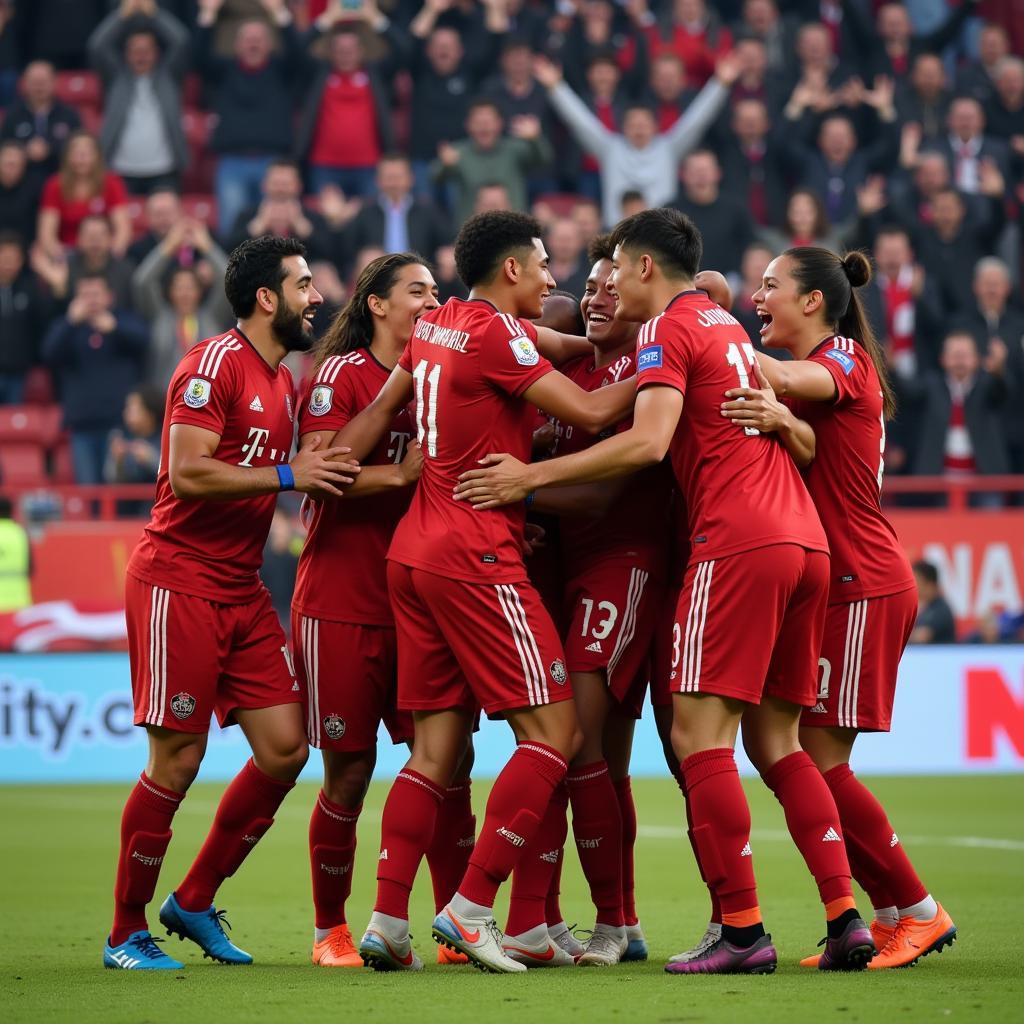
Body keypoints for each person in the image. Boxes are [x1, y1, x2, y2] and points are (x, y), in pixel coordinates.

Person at [454, 208, 872, 976]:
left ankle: (740, 931)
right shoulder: (725, 325)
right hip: (801, 539)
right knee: (775, 745)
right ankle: (847, 917)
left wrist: (528, 479)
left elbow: (647, 443)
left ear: (643, 269)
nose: (602, 286)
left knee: (694, 743)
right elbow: (796, 432)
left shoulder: (666, 330)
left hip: (729, 543)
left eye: (613, 271)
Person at [324, 210, 637, 973]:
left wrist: (623, 336)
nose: (553, 278)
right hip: (475, 554)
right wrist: (673, 365)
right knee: (555, 736)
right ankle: (470, 906)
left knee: (434, 750)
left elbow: (566, 344)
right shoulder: (499, 336)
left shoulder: (438, 325)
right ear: (509, 272)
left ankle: (388, 920)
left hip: (413, 554)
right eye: (541, 265)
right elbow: (595, 409)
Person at [102, 235, 359, 971]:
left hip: (241, 588)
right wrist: (288, 473)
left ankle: (192, 898)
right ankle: (125, 932)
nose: (317, 298)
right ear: (266, 298)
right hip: (176, 579)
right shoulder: (212, 364)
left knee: (285, 750)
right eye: (304, 285)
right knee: (177, 760)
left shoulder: (285, 381)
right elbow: (186, 475)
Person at [726, 245, 956, 970]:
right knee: (792, 759)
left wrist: (704, 327)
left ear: (814, 301)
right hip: (833, 585)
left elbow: (791, 378)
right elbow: (799, 427)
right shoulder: (820, 378)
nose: (757, 298)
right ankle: (889, 914)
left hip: (862, 584)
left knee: (816, 764)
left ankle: (917, 910)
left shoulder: (843, 358)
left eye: (769, 287)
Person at [290, 254, 473, 969]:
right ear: (376, 305)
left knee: (452, 759)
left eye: (437, 291)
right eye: (417, 292)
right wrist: (399, 469)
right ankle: (330, 930)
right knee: (349, 769)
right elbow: (322, 467)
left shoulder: (445, 377)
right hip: (342, 599)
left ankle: (457, 924)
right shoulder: (342, 376)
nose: (433, 301)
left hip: (425, 600)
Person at [514, 233, 673, 966]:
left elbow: (608, 491)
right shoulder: (572, 364)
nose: (596, 296)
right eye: (591, 286)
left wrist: (524, 492)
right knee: (602, 760)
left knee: (573, 744)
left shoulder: (650, 365)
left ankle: (605, 925)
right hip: (565, 570)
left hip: (624, 562)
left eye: (613, 286)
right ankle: (618, 920)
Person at [535, 52, 739, 227]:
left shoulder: (668, 148)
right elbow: (581, 121)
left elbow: (696, 120)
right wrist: (556, 87)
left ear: (655, 127)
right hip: (617, 233)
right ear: (623, 128)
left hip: (660, 234)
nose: (639, 129)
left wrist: (720, 84)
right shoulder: (610, 148)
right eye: (633, 124)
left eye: (644, 124)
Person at [41, 273, 149, 485]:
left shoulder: (123, 319)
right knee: (88, 491)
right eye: (84, 295)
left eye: (96, 294)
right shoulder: (67, 326)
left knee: (118, 488)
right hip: (82, 426)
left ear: (110, 297)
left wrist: (115, 328)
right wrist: (71, 322)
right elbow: (48, 354)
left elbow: (144, 341)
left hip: (119, 424)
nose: (91, 300)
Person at [87, 0, 190, 194]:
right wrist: (121, 15)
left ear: (157, 53)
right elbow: (97, 45)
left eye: (146, 51)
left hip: (165, 171)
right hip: (120, 169)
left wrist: (155, 14)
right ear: (126, 54)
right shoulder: (116, 77)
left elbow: (181, 40)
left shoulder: (169, 76)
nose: (141, 56)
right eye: (135, 51)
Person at [131, 217, 233, 390]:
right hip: (165, 403)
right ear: (170, 292)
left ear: (200, 291)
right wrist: (168, 246)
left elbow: (230, 279)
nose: (185, 293)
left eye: (190, 287)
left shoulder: (213, 315)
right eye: (179, 287)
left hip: (209, 403)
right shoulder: (159, 315)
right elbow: (142, 281)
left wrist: (207, 246)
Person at [36, 132, 131, 257]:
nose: (81, 158)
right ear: (67, 156)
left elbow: (123, 229)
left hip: (104, 254)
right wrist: (59, 258)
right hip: (67, 253)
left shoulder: (112, 182)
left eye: (87, 153)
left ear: (97, 156)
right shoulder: (55, 185)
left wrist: (113, 257)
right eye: (76, 153)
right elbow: (47, 234)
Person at [0, 60, 80, 176]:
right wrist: (24, 151)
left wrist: (49, 150)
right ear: (25, 83)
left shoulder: (69, 114)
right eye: (34, 82)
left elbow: (79, 148)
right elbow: (4, 148)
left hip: (61, 178)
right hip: (21, 181)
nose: (39, 87)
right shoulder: (13, 115)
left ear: (54, 82)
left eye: (43, 82)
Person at [910, 560, 956, 644]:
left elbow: (921, 637)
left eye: (916, 582)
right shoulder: (917, 607)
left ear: (930, 585)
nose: (912, 586)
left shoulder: (941, 609)